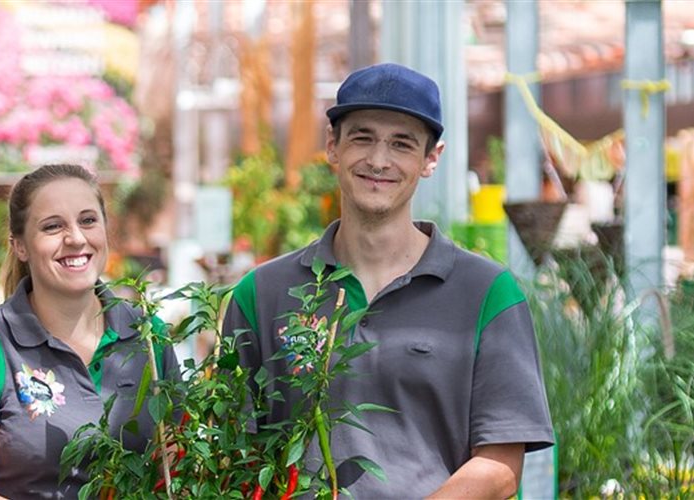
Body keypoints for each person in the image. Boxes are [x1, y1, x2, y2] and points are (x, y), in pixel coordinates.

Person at [222, 63, 552, 498]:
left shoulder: (489, 293)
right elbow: (233, 448)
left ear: (430, 159)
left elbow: (500, 465)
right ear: (333, 147)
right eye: (362, 137)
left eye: (402, 144)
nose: (379, 160)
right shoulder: (261, 294)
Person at [0, 164, 174, 499]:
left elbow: (174, 467)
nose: (75, 238)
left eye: (88, 220)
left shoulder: (148, 336)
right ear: (19, 246)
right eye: (52, 226)